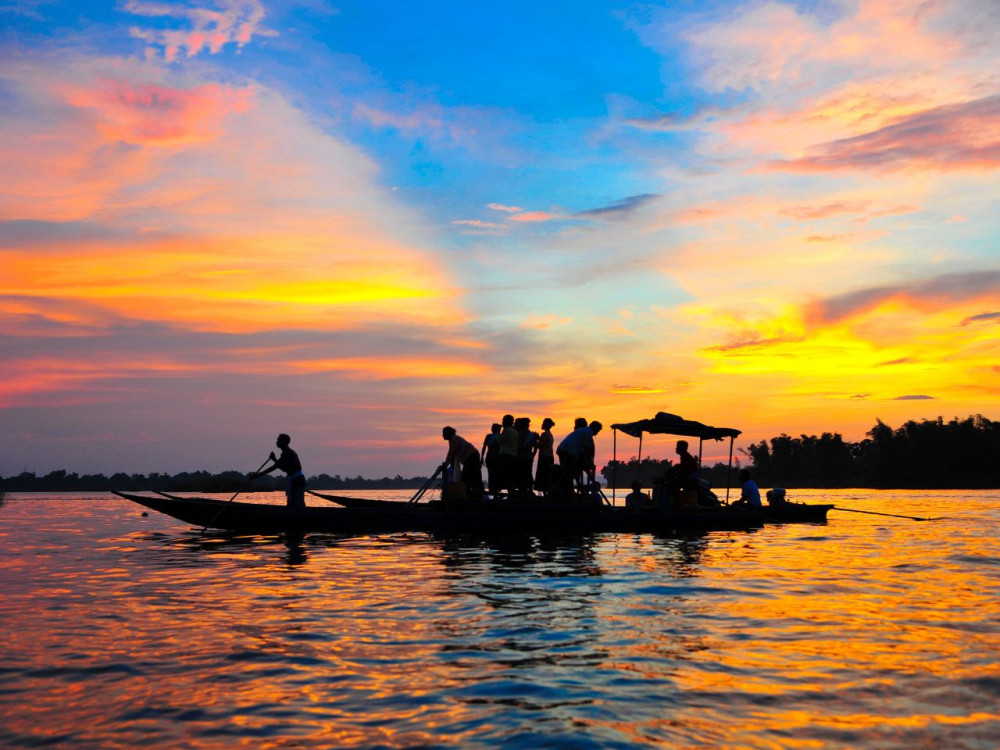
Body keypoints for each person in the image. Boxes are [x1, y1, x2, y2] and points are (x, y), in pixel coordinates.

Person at [249, 433, 306, 509]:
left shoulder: (288, 453)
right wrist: (258, 475)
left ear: (283, 442)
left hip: (296, 481)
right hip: (295, 480)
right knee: (293, 504)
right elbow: (276, 466)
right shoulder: (285, 453)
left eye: (278, 440)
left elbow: (282, 468)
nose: (277, 442)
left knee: (297, 505)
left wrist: (274, 459)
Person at [441, 426, 483, 497]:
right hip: (470, 457)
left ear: (448, 434)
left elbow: (451, 453)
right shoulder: (452, 440)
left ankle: (472, 493)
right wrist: (451, 465)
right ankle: (474, 492)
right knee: (472, 475)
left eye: (443, 433)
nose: (442, 435)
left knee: (467, 476)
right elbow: (453, 455)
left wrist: (445, 464)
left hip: (472, 456)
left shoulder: (455, 439)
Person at [557, 417, 594, 495]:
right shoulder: (587, 432)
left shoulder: (580, 432)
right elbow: (586, 448)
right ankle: (565, 490)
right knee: (569, 472)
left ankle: (569, 490)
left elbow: (584, 449)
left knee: (570, 471)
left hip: (565, 451)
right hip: (565, 452)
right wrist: (588, 462)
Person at [497, 414, 520, 495]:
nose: (502, 422)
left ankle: (509, 491)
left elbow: (499, 441)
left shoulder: (506, 430)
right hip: (513, 455)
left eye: (503, 420)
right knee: (510, 474)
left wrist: (498, 433)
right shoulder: (515, 432)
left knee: (504, 474)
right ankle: (511, 491)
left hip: (505, 454)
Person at [516, 417, 539, 492]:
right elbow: (535, 448)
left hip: (520, 457)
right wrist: (532, 456)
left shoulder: (519, 434)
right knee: (528, 474)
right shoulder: (531, 435)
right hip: (528, 457)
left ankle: (522, 491)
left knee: (521, 475)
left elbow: (518, 446)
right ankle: (529, 490)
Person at [534, 418, 555, 493]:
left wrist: (534, 440)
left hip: (544, 457)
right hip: (549, 456)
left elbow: (540, 445)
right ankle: (546, 493)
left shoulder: (544, 434)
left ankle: (544, 492)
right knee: (547, 476)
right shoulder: (549, 434)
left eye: (543, 423)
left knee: (543, 475)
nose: (542, 424)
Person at [481, 423, 501, 495]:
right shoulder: (499, 436)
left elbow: (484, 447)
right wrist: (482, 457)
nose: (491, 429)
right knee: (495, 474)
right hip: (495, 458)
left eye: (492, 428)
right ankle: (495, 490)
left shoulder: (489, 436)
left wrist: (482, 457)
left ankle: (493, 489)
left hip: (492, 458)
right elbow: (484, 447)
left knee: (492, 474)